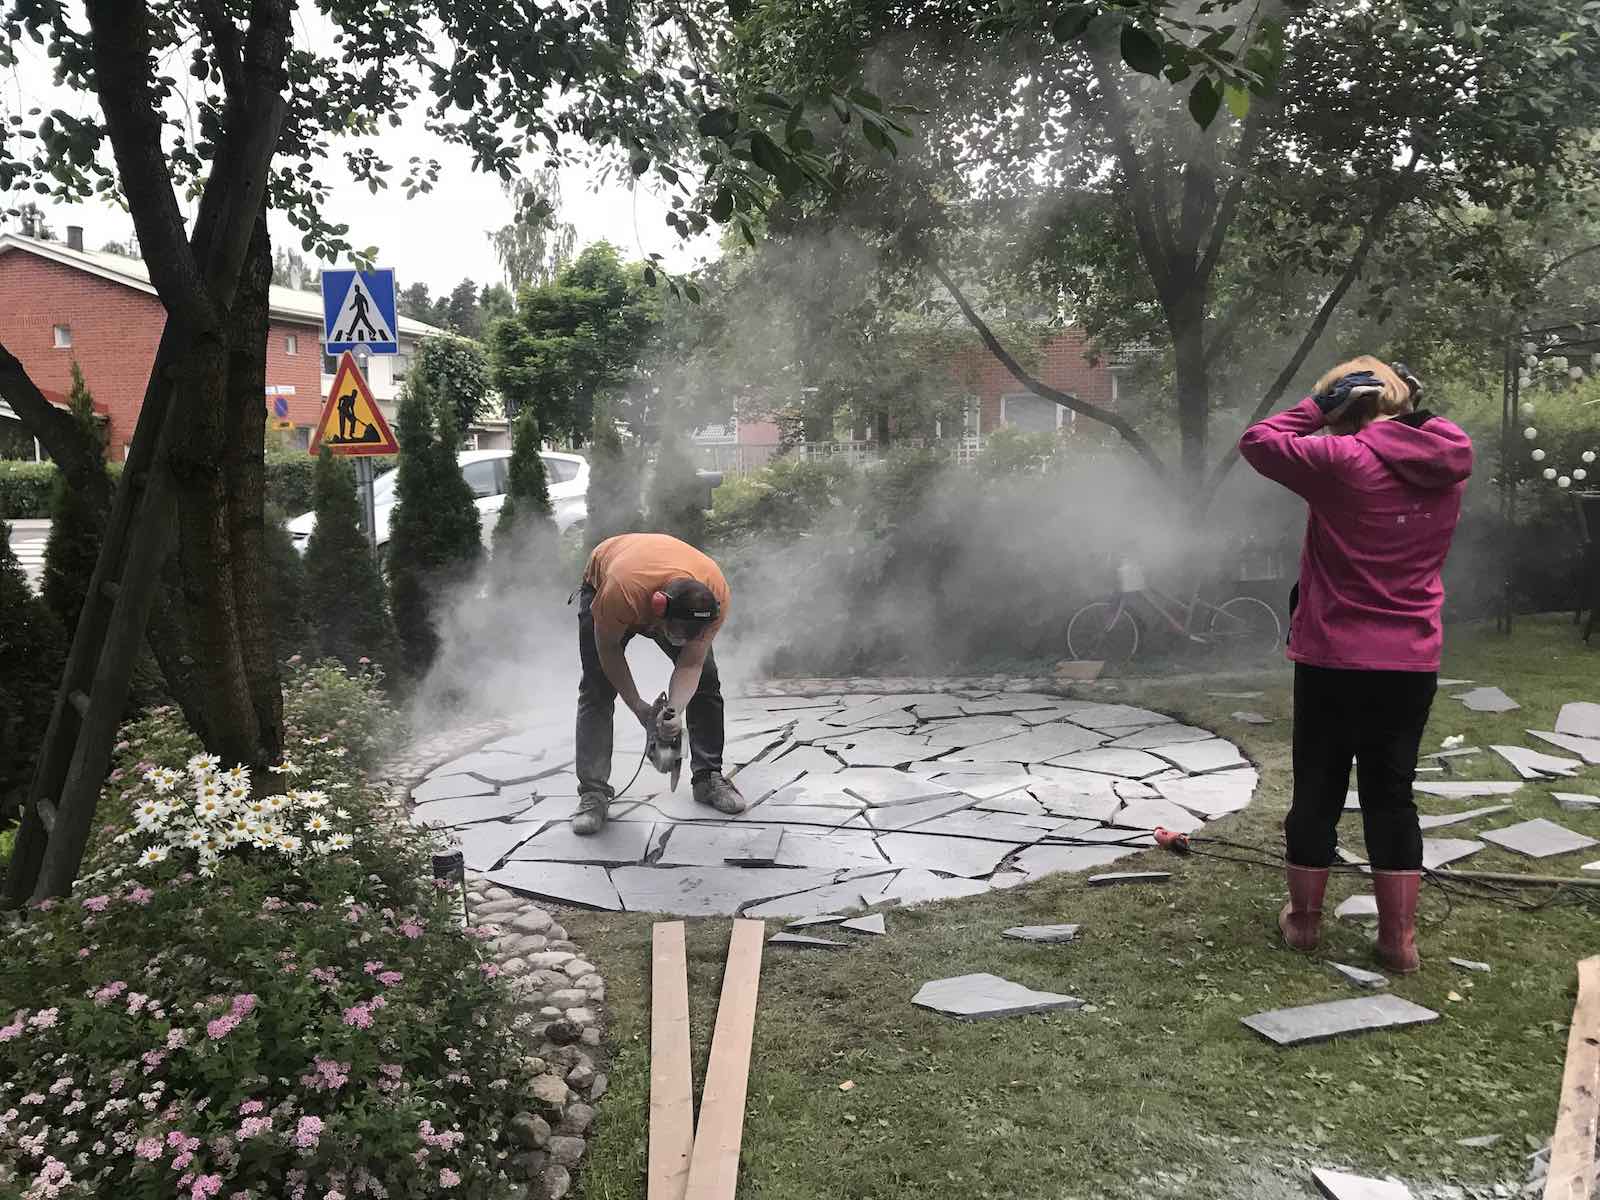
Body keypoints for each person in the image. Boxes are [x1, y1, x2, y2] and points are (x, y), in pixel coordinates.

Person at [1238, 357, 1473, 973]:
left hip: (1333, 656)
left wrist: (1319, 410)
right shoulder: (1449, 464)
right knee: (1391, 794)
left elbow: (1260, 442)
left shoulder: (1342, 462)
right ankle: (1397, 941)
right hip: (1410, 658)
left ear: (1347, 406)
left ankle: (1306, 925)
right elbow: (1416, 436)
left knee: (1319, 784)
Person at [572, 532, 745, 835]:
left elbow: (691, 663)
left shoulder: (715, 596)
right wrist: (638, 706)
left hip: (660, 587)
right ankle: (593, 792)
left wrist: (675, 712)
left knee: (706, 681)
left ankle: (708, 777)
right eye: (676, 633)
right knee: (596, 688)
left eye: (692, 635)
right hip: (609, 575)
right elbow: (608, 650)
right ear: (658, 609)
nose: (679, 641)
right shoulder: (621, 591)